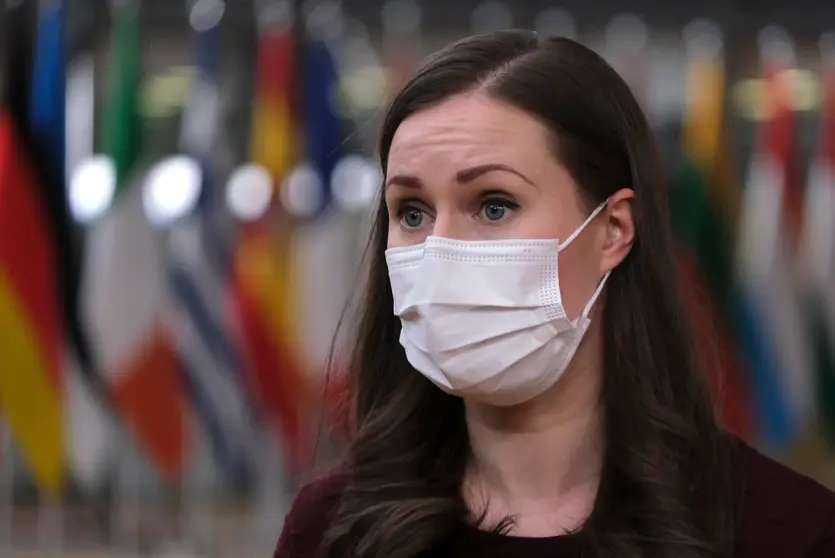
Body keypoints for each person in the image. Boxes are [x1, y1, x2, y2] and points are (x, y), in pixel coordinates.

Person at [274, 30, 835, 558]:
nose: (439, 251)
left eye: (495, 205)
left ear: (613, 228)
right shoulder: (331, 531)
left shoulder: (785, 530)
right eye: (412, 212)